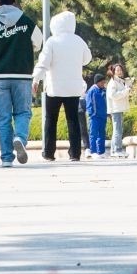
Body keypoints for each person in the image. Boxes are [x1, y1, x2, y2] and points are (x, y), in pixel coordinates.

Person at [0, 0, 42, 166]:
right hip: (22, 74)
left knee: (3, 117)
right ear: (14, 2)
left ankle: (7, 158)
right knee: (23, 112)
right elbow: (38, 43)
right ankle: (20, 138)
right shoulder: (27, 22)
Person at [33, 10, 90, 163]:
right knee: (73, 120)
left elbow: (43, 63)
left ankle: (49, 153)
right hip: (73, 88)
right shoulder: (79, 41)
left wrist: (36, 79)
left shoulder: (52, 41)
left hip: (54, 88)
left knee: (51, 120)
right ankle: (75, 153)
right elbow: (87, 59)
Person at [105, 62, 133, 156]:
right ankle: (117, 150)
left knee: (118, 129)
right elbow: (113, 95)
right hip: (115, 109)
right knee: (118, 130)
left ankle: (114, 150)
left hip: (119, 108)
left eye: (120, 70)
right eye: (117, 70)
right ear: (113, 72)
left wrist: (127, 87)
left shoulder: (119, 81)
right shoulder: (113, 82)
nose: (119, 71)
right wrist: (125, 91)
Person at [84, 72, 109, 158]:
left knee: (101, 133)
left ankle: (101, 151)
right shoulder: (92, 91)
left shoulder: (103, 90)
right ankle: (93, 151)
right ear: (97, 82)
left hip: (102, 116)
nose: (103, 84)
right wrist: (92, 114)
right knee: (93, 134)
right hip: (94, 117)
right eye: (102, 82)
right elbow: (90, 104)